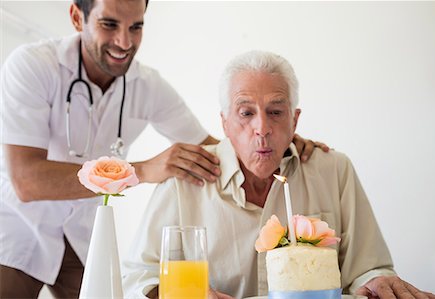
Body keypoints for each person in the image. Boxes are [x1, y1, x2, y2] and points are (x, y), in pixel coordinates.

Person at [0, 1, 325, 298]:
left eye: (136, 27)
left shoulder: (147, 85)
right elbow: (26, 181)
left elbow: (218, 148)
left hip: (82, 235)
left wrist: (272, 140)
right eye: (109, 25)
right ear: (76, 17)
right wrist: (140, 171)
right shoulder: (32, 66)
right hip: (17, 228)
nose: (125, 42)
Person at [122, 51, 435, 299]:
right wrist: (182, 293)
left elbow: (368, 267)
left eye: (275, 112)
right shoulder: (184, 178)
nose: (262, 128)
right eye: (246, 113)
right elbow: (138, 278)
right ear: (224, 123)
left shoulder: (334, 169)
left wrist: (377, 280)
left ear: (294, 119)